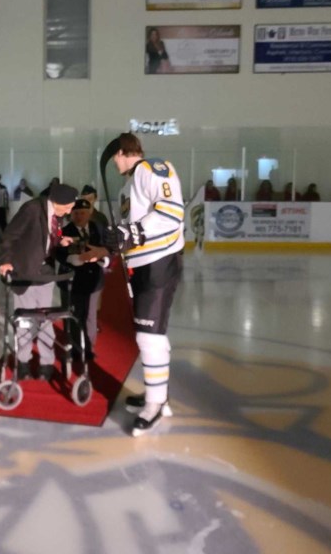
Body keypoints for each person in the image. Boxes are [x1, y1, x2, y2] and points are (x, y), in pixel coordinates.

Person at [102, 133, 186, 437]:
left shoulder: (152, 168)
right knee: (149, 333)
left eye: (115, 157)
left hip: (159, 263)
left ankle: (155, 405)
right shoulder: (130, 183)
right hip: (141, 265)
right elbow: (132, 230)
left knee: (149, 335)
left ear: (124, 152)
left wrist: (133, 233)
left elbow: (171, 213)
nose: (114, 164)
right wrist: (115, 241)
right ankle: (157, 395)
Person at [0, 184, 79, 381]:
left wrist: (61, 240)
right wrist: (5, 261)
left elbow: (49, 235)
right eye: (67, 207)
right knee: (25, 320)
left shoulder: (56, 215)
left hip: (46, 272)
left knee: (45, 319)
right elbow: (10, 235)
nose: (70, 211)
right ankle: (23, 362)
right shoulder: (32, 209)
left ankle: (46, 363)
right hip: (24, 272)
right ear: (56, 202)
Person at [56, 199, 110, 362]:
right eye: (76, 213)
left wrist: (103, 260)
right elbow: (57, 252)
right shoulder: (64, 231)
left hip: (93, 281)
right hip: (71, 281)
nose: (79, 216)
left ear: (89, 214)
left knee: (90, 316)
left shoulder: (98, 229)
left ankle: (88, 348)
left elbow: (108, 249)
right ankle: (74, 348)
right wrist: (70, 259)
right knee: (73, 316)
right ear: (71, 214)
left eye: (83, 213)